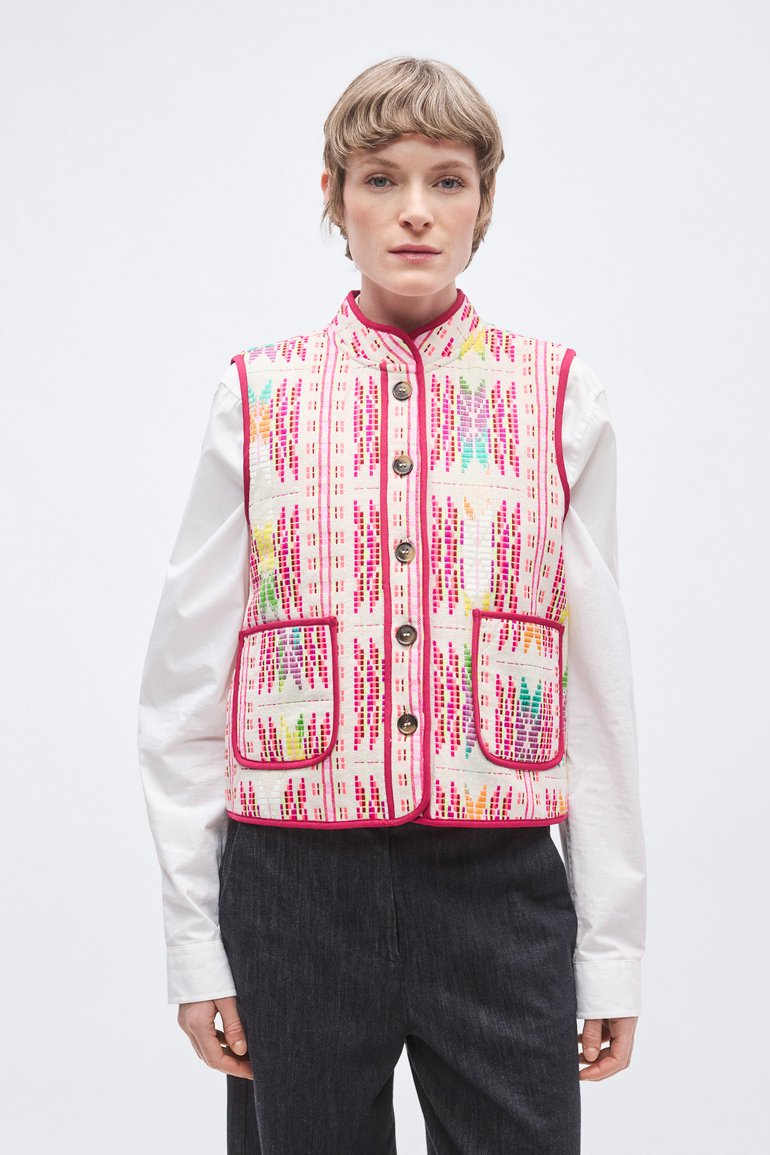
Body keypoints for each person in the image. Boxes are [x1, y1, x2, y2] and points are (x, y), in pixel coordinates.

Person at [138, 55, 647, 1154]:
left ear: (484, 202)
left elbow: (596, 688)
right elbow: (184, 688)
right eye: (380, 179)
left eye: (446, 181)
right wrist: (195, 945)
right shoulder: (256, 397)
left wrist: (610, 949)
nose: (415, 210)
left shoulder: (561, 399)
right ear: (334, 196)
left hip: (499, 887)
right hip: (292, 891)